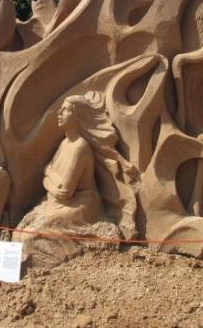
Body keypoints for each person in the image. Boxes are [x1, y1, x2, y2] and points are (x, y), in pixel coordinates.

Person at [16, 91, 138, 237]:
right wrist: (50, 179)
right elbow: (49, 176)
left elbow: (65, 192)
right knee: (19, 232)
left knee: (29, 236)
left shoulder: (80, 147)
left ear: (79, 117)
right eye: (61, 109)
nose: (59, 113)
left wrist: (48, 175)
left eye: (66, 110)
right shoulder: (64, 143)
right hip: (57, 202)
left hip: (82, 205)